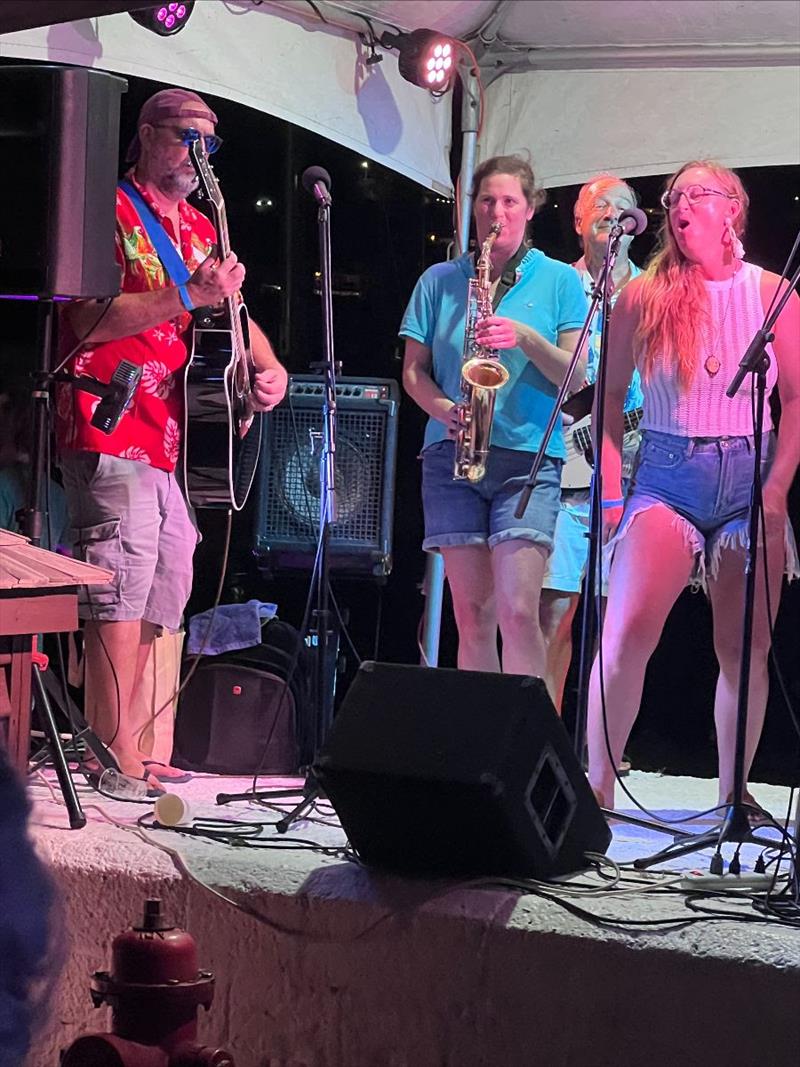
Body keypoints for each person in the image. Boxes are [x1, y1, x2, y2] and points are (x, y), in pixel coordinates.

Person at [56, 89, 288, 790]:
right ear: (146, 137)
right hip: (113, 420)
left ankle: (150, 743)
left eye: (208, 143)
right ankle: (112, 749)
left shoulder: (202, 228)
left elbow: (239, 320)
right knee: (121, 581)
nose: (197, 154)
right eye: (185, 137)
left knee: (168, 581)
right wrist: (186, 294)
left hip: (179, 439)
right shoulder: (108, 212)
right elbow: (85, 320)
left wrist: (267, 367)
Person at [587, 160, 800, 812]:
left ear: (731, 206)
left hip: (748, 473)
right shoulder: (641, 296)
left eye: (697, 195)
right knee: (624, 635)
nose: (682, 206)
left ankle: (733, 796)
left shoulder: (773, 293)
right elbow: (608, 402)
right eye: (674, 198)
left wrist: (775, 490)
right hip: (669, 476)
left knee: (745, 648)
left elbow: (795, 400)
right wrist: (615, 492)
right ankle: (596, 791)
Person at [401, 155, 588, 675]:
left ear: (530, 210)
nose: (497, 213)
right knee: (472, 613)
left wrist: (525, 338)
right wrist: (445, 409)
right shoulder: (439, 280)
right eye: (487, 202)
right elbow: (413, 372)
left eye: (509, 202)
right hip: (452, 456)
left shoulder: (558, 281)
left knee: (518, 610)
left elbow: (575, 377)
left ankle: (520, 744)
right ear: (473, 209)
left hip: (528, 461)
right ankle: (476, 743)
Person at [540, 174, 645, 713]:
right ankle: (545, 738)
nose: (610, 213)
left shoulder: (654, 294)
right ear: (579, 222)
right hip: (565, 476)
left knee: (624, 622)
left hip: (634, 481)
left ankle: (604, 745)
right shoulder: (557, 286)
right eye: (598, 205)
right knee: (555, 612)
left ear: (636, 224)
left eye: (622, 206)